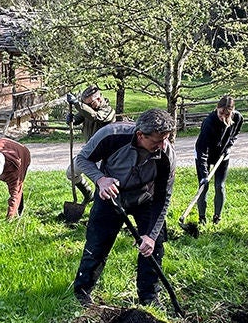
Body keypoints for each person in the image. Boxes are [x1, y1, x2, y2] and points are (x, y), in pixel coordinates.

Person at [71, 109, 177, 306]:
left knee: (152, 248)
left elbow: (163, 198)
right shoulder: (111, 136)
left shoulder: (167, 156)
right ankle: (82, 292)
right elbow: (82, 159)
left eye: (166, 139)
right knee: (97, 243)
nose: (163, 146)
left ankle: (150, 297)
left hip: (146, 198)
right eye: (156, 141)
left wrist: (151, 236)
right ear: (140, 135)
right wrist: (100, 179)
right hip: (110, 195)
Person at [191, 95, 243, 226]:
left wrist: (229, 145)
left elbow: (235, 133)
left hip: (222, 155)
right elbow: (202, 150)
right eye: (221, 113)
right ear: (217, 108)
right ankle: (202, 218)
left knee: (220, 186)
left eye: (227, 114)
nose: (223, 117)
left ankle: (217, 218)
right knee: (204, 186)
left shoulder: (237, 118)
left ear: (232, 111)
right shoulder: (209, 122)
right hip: (204, 155)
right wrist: (204, 175)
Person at [63, 87, 117, 206]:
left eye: (91, 103)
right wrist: (71, 119)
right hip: (88, 153)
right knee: (71, 173)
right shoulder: (90, 108)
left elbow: (95, 117)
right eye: (87, 104)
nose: (90, 106)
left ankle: (102, 209)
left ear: (99, 98)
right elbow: (79, 117)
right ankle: (88, 195)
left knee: (101, 183)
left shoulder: (108, 111)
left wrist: (78, 104)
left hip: (104, 156)